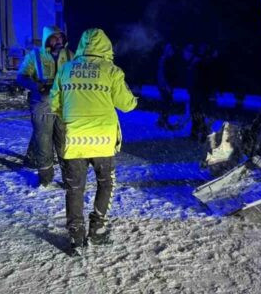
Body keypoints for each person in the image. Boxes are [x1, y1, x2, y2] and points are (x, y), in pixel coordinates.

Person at [50, 28, 137, 253]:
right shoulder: (111, 70)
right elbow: (127, 105)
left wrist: (70, 116)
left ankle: (76, 237)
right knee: (105, 183)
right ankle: (97, 230)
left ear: (81, 46)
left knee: (74, 189)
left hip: (74, 141)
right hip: (102, 142)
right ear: (106, 47)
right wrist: (133, 98)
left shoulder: (66, 69)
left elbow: (54, 104)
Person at [17, 26, 73, 187]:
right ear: (47, 39)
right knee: (43, 142)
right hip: (41, 104)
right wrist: (38, 86)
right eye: (55, 38)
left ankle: (69, 178)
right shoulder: (35, 56)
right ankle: (45, 178)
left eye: (61, 38)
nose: (59, 41)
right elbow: (21, 76)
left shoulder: (70, 55)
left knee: (65, 142)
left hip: (64, 106)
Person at [156, 42, 178, 129]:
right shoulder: (164, 60)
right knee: (166, 104)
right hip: (165, 86)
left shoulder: (169, 60)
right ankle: (163, 121)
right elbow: (162, 74)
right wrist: (166, 86)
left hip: (167, 86)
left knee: (167, 104)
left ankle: (163, 120)